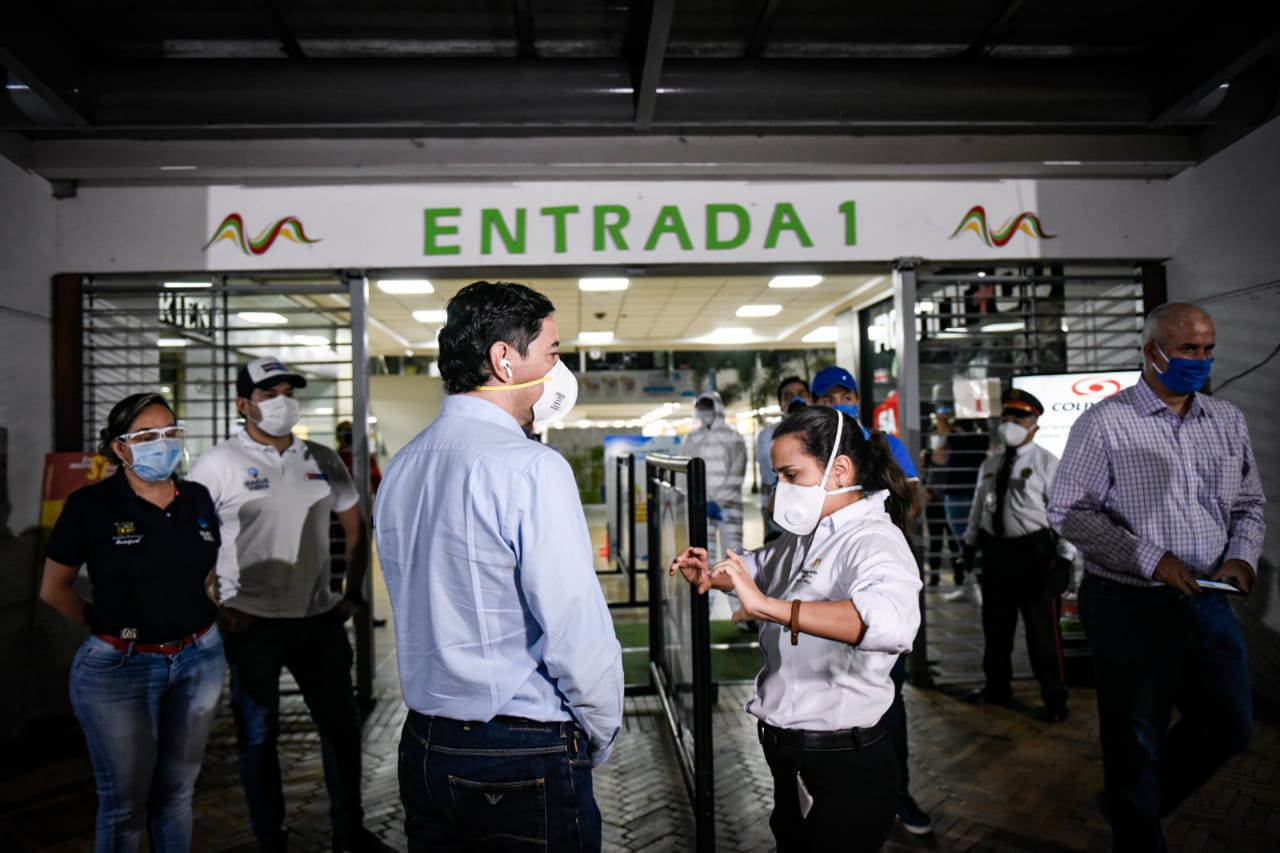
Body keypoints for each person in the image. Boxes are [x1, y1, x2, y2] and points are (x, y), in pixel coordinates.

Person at [374, 281, 624, 852]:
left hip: (425, 744)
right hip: (518, 750)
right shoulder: (531, 467)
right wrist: (600, 729)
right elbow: (574, 626)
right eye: (553, 353)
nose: (560, 370)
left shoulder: (405, 465)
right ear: (504, 360)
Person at [1048, 302, 1265, 851]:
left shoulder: (1226, 420)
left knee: (1229, 724)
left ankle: (1136, 802)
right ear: (1152, 352)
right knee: (1135, 738)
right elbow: (1070, 512)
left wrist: (1241, 556)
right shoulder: (1104, 423)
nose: (1201, 359)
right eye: (1188, 349)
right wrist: (1151, 559)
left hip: (1207, 599)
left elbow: (1249, 504)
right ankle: (1138, 833)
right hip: (1129, 603)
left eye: (1208, 348)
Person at [670, 405, 921, 852]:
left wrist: (772, 608)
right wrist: (715, 575)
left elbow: (891, 622)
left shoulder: (872, 540)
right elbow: (756, 568)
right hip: (795, 755)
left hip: (843, 761)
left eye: (791, 475)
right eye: (776, 477)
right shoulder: (807, 535)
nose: (779, 489)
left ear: (840, 471)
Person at [188, 356, 387, 853]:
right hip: (251, 623)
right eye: (269, 394)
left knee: (341, 732)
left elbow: (356, 527)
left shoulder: (321, 456)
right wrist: (215, 607)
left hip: (319, 621)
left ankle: (348, 832)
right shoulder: (217, 465)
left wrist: (353, 592)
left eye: (288, 392)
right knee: (258, 738)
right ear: (243, 405)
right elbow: (187, 542)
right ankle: (269, 838)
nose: (282, 402)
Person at [39, 392, 225, 852]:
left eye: (169, 432)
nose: (161, 443)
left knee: (177, 795)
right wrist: (104, 628)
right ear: (120, 448)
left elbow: (204, 571)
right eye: (145, 435)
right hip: (119, 670)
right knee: (124, 805)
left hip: (198, 660)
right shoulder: (90, 506)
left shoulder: (196, 497)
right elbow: (54, 589)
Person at [810, 364, 933, 834]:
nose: (841, 401)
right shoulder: (812, 444)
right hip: (825, 588)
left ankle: (896, 792)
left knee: (886, 694)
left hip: (877, 582)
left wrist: (870, 530)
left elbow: (912, 503)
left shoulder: (885, 445)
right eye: (831, 396)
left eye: (848, 394)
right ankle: (830, 795)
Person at [961, 388, 1075, 722]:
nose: (1010, 423)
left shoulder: (1047, 463)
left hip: (1035, 555)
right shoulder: (991, 463)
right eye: (1006, 416)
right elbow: (978, 506)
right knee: (996, 628)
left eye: (1019, 417)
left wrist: (1066, 558)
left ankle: (1054, 697)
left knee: (1043, 632)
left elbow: (1064, 514)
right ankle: (997, 686)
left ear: (1034, 423)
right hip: (997, 552)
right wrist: (970, 544)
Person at [684, 389, 748, 562]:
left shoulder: (734, 438)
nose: (704, 412)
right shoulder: (692, 439)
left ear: (717, 408)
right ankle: (707, 590)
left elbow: (737, 473)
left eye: (708, 407)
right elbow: (689, 471)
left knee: (733, 554)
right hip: (702, 506)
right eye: (701, 408)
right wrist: (703, 500)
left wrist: (718, 501)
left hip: (729, 506)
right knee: (704, 554)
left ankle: (736, 589)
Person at [757, 376, 812, 542]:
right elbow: (775, 475)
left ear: (810, 399)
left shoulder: (821, 431)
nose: (796, 399)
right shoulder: (768, 436)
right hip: (779, 526)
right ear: (781, 404)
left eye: (802, 394)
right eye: (788, 397)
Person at [919, 402, 963, 587]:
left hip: (952, 499)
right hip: (934, 500)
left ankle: (960, 580)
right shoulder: (928, 452)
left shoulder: (956, 444)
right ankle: (934, 578)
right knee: (935, 543)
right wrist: (925, 489)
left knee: (954, 543)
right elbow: (924, 473)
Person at [335, 419, 382, 496]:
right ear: (338, 436)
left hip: (365, 501)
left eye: (351, 431)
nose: (349, 434)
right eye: (345, 431)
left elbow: (378, 483)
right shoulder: (334, 458)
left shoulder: (367, 458)